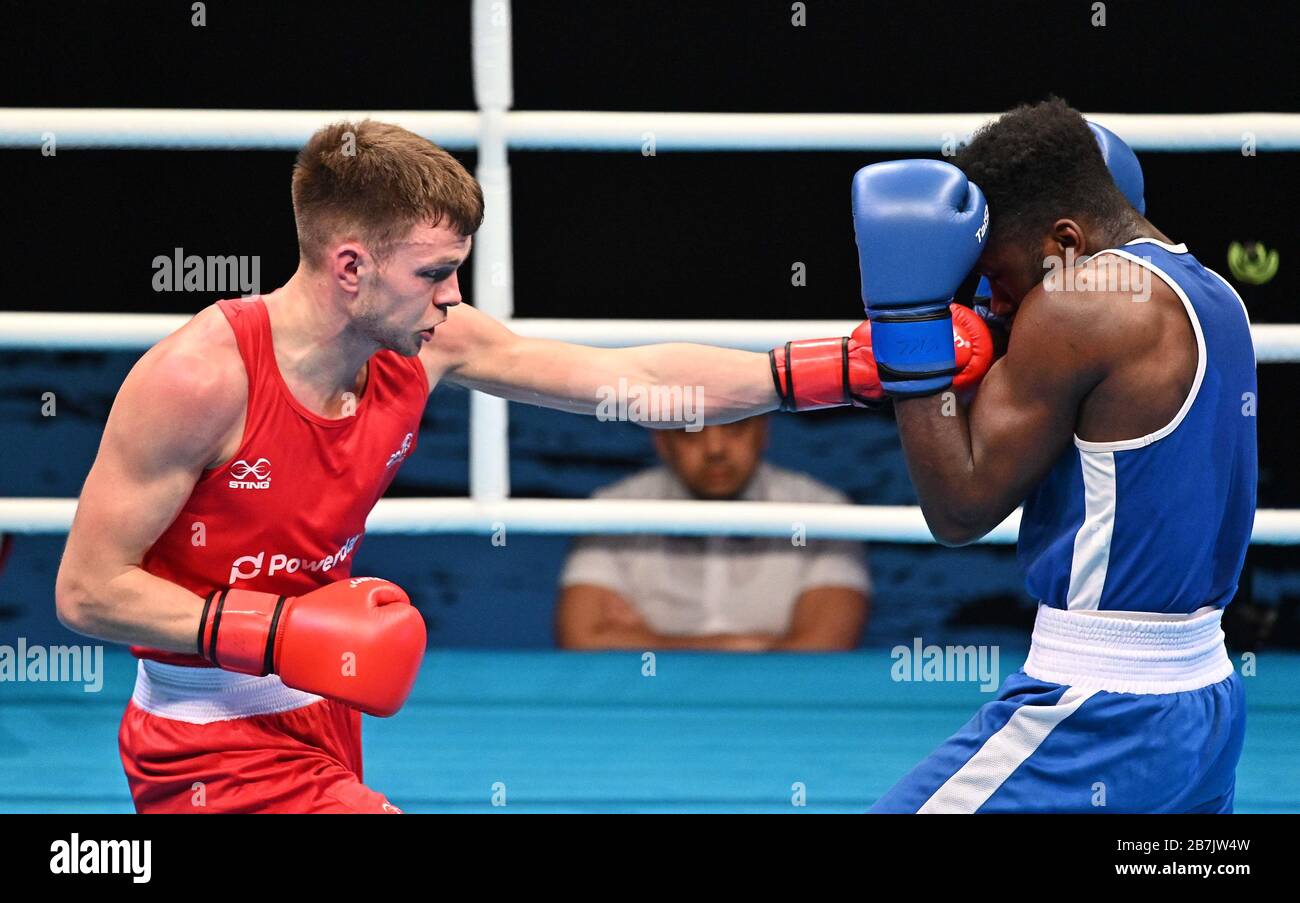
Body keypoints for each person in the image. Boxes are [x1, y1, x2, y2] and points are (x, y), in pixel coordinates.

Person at [54, 119, 993, 813]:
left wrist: (831, 369)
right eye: (432, 273)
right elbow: (86, 591)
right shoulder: (198, 378)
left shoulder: (427, 344)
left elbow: (626, 380)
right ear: (349, 266)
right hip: (205, 738)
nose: (452, 296)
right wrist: (274, 633)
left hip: (323, 710)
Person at [856, 99, 1255, 813]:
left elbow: (959, 506)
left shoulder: (1076, 303)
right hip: (1207, 695)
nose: (995, 303)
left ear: (1065, 241)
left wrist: (908, 325)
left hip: (1101, 706)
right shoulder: (1218, 296)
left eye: (998, 276)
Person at [556, 416, 871, 651]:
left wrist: (653, 643)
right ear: (661, 441)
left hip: (780, 703)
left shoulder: (823, 510)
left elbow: (824, 647)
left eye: (736, 426)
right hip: (654, 702)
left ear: (764, 430)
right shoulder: (613, 509)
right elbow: (582, 638)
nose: (715, 449)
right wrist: (747, 646)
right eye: (690, 431)